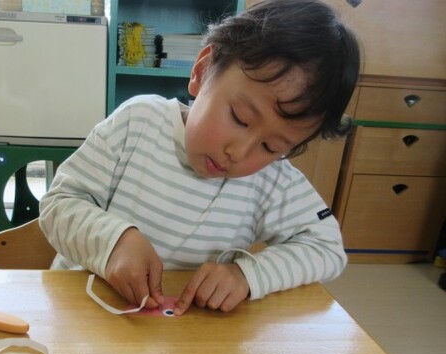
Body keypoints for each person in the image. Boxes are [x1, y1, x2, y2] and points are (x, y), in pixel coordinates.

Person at [39, 0, 360, 315]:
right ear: (203, 70)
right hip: (81, 312)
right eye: (240, 118)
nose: (238, 153)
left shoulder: (271, 178)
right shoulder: (137, 123)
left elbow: (327, 248)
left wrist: (247, 274)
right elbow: (59, 204)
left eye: (271, 147)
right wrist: (114, 242)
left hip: (181, 335)